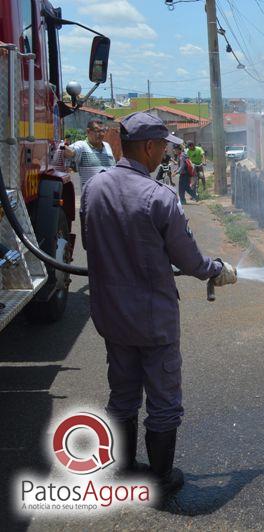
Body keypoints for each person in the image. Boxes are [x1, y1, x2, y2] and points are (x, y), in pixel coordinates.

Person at [80, 112, 237, 504]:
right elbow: (191, 262)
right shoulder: (159, 197)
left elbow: (92, 244)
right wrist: (217, 270)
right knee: (164, 399)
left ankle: (123, 470)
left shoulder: (94, 188)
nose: (165, 152)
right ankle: (160, 478)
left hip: (110, 315)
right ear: (148, 147)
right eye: (163, 146)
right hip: (152, 320)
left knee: (123, 393)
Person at [64, 119, 116, 191]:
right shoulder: (82, 145)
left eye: (103, 131)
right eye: (97, 131)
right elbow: (71, 152)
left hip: (110, 194)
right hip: (91, 197)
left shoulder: (107, 146)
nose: (101, 134)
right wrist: (63, 147)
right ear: (88, 131)